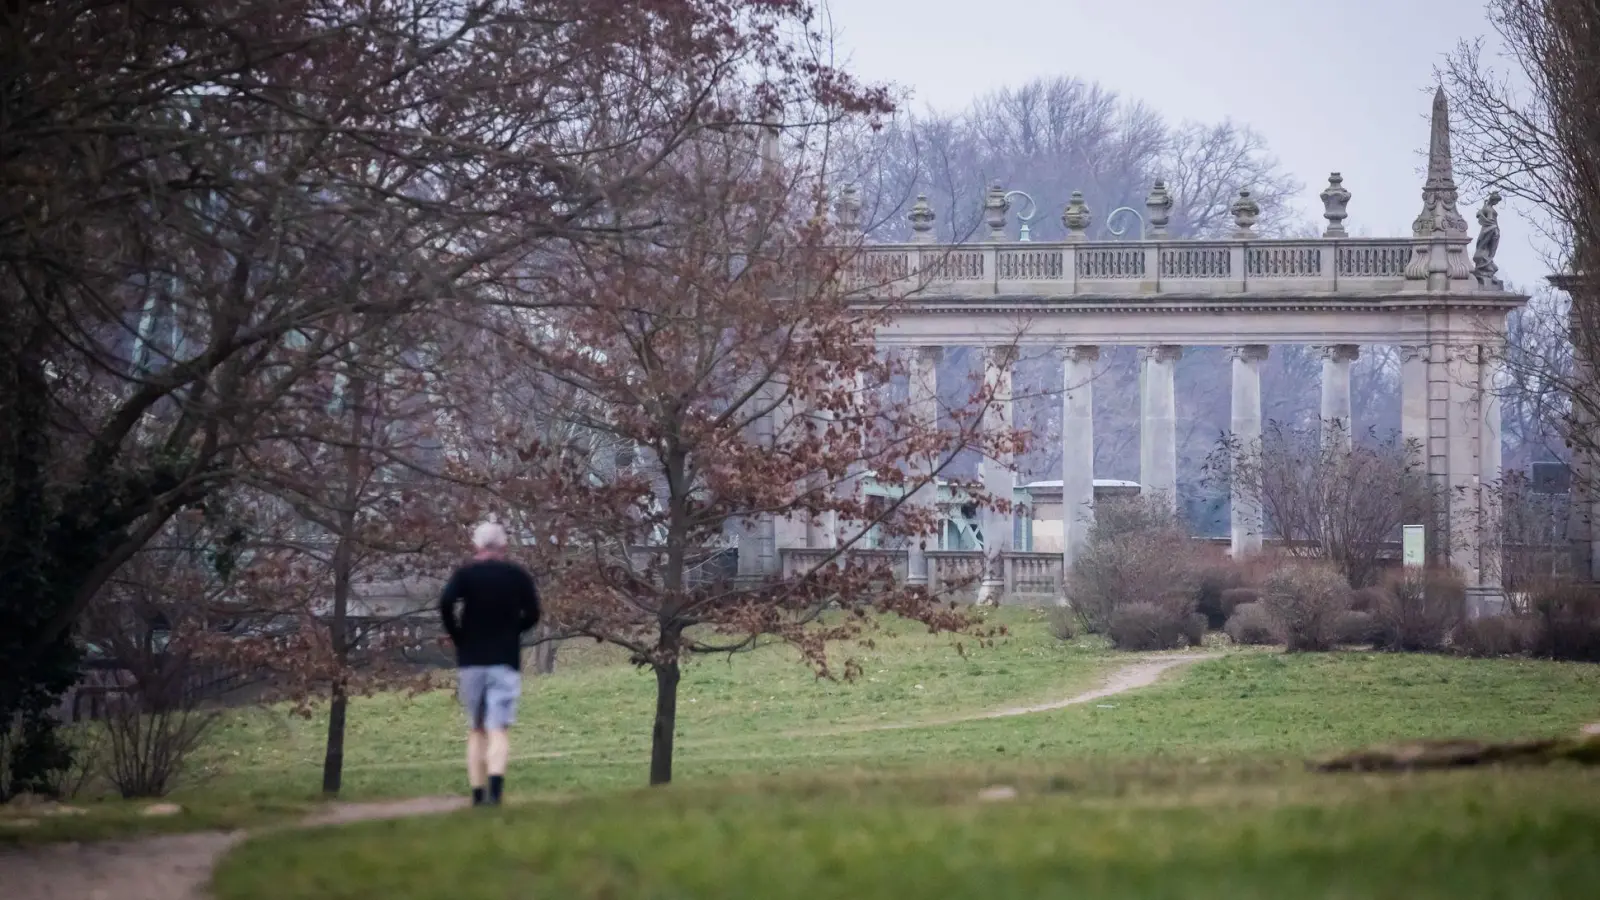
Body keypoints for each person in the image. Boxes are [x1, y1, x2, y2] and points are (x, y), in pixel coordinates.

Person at [438, 521, 540, 806]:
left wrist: (459, 634)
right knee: (499, 728)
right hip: (505, 660)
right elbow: (533, 612)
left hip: (471, 659)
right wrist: (513, 631)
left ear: (477, 545)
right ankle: (496, 791)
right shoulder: (516, 576)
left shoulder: (465, 575)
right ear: (503, 545)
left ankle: (477, 792)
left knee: (477, 727)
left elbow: (446, 603)